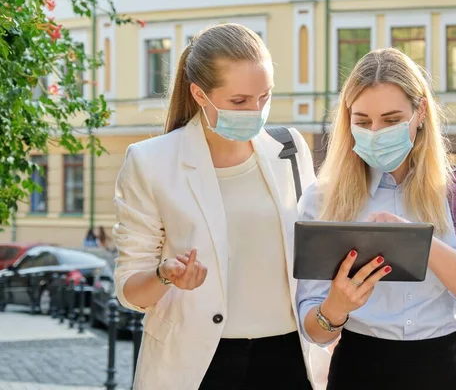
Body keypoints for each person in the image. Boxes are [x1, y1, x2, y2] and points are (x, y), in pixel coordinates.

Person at [113, 24, 329, 390]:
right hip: (197, 365)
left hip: (290, 359)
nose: (256, 111)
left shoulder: (289, 149)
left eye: (265, 96)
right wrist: (166, 275)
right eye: (240, 101)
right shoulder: (151, 161)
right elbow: (129, 291)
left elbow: (312, 253)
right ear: (199, 94)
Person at [296, 48, 456, 390]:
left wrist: (417, 243)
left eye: (392, 120)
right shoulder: (323, 197)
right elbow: (313, 331)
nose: (376, 132)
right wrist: (336, 306)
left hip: (447, 369)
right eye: (362, 121)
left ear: (420, 112)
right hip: (359, 369)